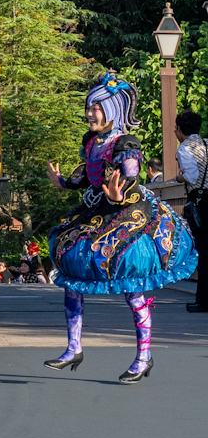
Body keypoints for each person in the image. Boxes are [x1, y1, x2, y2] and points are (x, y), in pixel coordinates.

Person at [44, 73, 197, 382]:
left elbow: (130, 171)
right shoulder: (92, 142)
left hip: (128, 213)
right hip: (95, 212)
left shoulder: (125, 143)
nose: (90, 114)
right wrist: (62, 182)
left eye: (96, 107)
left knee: (132, 284)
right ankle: (74, 347)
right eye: (88, 107)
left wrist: (120, 192)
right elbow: (86, 177)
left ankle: (144, 357)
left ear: (112, 109)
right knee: (72, 278)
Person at [175, 109, 208, 313]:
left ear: (179, 129)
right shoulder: (206, 144)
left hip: (200, 201)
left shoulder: (185, 148)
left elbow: (192, 175)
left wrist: (179, 178)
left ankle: (203, 300)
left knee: (203, 251)